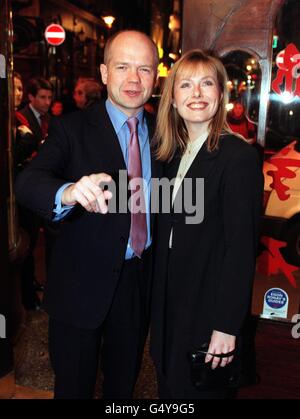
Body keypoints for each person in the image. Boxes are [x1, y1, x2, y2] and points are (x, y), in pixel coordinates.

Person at [15, 30, 160, 399]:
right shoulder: (71, 128)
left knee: (122, 389)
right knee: (74, 389)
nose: (133, 79)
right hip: (78, 286)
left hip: (136, 285)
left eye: (144, 69)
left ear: (155, 76)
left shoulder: (164, 135)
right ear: (105, 72)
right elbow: (29, 181)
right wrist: (68, 191)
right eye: (123, 66)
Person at [150, 49, 263, 399]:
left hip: (207, 309)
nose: (196, 94)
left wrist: (227, 327)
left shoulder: (238, 157)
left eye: (206, 83)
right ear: (172, 99)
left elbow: (240, 251)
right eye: (185, 85)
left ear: (221, 94)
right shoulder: (168, 156)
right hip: (169, 307)